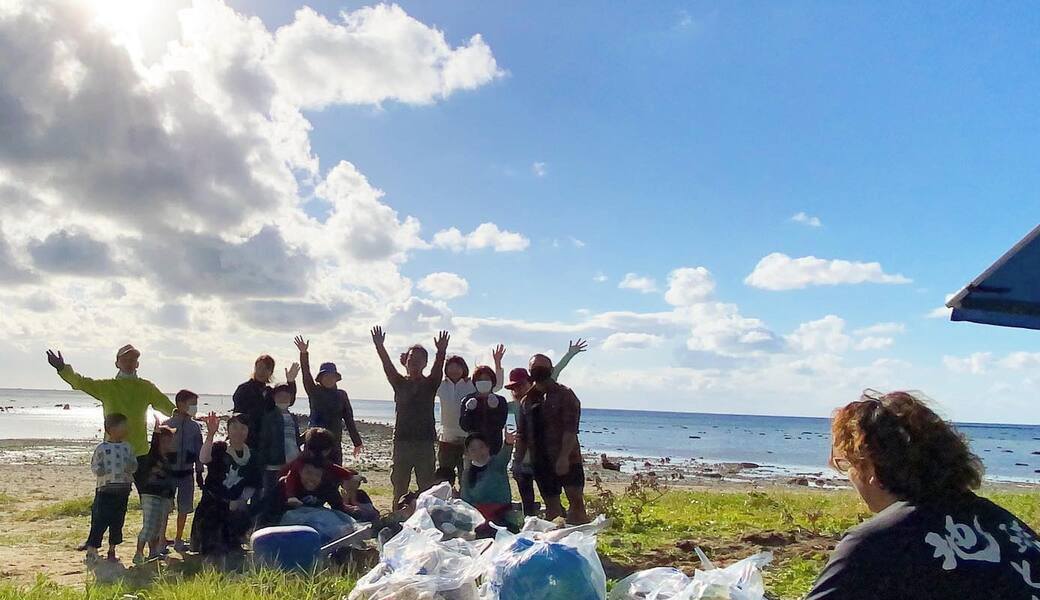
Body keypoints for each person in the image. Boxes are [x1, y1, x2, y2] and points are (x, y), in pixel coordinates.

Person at [806, 390, 1040, 600]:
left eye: (846, 463)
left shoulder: (875, 543)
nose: (849, 475)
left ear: (871, 467)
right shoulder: (1008, 526)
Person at [46, 345, 176, 491]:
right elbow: (80, 382)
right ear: (117, 363)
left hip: (140, 452)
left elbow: (167, 407)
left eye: (133, 360)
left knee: (148, 496)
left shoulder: (146, 387)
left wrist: (191, 417)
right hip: (113, 452)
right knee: (111, 497)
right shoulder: (107, 386)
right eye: (125, 359)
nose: (129, 363)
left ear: (137, 364)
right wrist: (62, 368)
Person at [504, 339, 587, 517]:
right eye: (535, 368)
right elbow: (523, 435)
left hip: (568, 459)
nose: (539, 371)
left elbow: (570, 429)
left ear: (550, 370)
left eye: (543, 367)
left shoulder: (565, 395)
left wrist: (563, 457)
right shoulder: (527, 401)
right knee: (552, 508)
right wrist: (517, 462)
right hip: (541, 462)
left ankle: (581, 537)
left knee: (576, 504)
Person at [371, 326, 449, 500]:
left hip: (425, 442)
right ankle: (398, 520)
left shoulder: (430, 384)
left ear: (425, 363)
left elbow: (438, 369)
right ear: (405, 361)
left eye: (420, 359)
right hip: (402, 442)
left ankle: (426, 518)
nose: (415, 362)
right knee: (399, 486)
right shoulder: (399, 382)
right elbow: (387, 366)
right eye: (412, 358)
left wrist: (441, 352)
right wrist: (380, 347)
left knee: (427, 488)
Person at [191, 413, 261, 557]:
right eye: (234, 427)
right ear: (228, 430)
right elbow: (203, 458)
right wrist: (210, 434)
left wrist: (240, 500)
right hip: (212, 505)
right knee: (211, 547)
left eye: (243, 428)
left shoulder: (253, 455)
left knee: (232, 546)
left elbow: (254, 484)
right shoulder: (219, 448)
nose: (238, 432)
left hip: (234, 506)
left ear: (248, 431)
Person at [436, 346, 505, 484]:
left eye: (458, 367)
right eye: (451, 367)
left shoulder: (470, 385)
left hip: (468, 438)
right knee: (445, 475)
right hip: (447, 437)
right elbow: (429, 383)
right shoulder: (441, 385)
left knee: (466, 475)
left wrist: (497, 364)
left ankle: (466, 499)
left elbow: (495, 385)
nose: (454, 370)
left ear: (464, 369)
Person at [294, 335, 363, 464]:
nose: (329, 379)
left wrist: (357, 442)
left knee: (334, 478)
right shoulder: (314, 391)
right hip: (313, 442)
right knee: (311, 476)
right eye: (326, 376)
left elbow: (349, 420)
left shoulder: (342, 395)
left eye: (332, 376)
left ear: (336, 378)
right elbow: (306, 374)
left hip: (334, 444)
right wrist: (304, 353)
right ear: (320, 378)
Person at [85, 413, 137, 564]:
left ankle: (112, 549)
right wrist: (99, 470)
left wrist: (131, 467)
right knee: (100, 520)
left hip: (123, 489)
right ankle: (92, 549)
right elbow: (94, 465)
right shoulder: (102, 448)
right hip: (105, 489)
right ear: (111, 429)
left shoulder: (127, 447)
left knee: (117, 521)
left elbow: (134, 464)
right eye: (122, 426)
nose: (125, 429)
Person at [162, 389, 203, 553]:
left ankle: (179, 539)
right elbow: (159, 449)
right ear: (180, 404)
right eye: (191, 404)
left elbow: (199, 451)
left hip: (187, 473)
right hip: (168, 473)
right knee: (165, 507)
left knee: (184, 508)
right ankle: (161, 539)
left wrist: (200, 472)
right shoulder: (168, 424)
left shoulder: (195, 427)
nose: (194, 407)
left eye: (195, 404)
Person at [232, 354, 299, 448]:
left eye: (266, 368)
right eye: (259, 367)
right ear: (255, 368)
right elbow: (238, 415)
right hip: (246, 440)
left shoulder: (270, 391)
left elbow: (288, 401)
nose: (262, 371)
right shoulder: (244, 389)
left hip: (266, 441)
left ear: (271, 372)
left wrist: (291, 381)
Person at [134, 425, 177, 565]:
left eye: (170, 441)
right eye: (165, 441)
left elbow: (172, 480)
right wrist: (156, 432)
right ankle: (139, 552)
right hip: (149, 494)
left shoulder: (171, 458)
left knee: (158, 526)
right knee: (148, 525)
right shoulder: (151, 457)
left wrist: (171, 498)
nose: (169, 444)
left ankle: (153, 552)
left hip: (164, 496)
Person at [461, 431, 519, 535]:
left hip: (502, 517)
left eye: (481, 447)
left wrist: (508, 443)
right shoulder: (467, 474)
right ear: (468, 454)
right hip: (479, 519)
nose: (478, 452)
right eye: (473, 449)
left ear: (488, 448)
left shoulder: (496, 464)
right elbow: (466, 500)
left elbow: (504, 456)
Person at [258, 384, 301, 498]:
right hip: (274, 463)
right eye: (280, 396)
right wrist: (263, 461)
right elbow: (264, 440)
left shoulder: (293, 417)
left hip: (292, 461)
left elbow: (295, 439)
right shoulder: (270, 416)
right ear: (274, 398)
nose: (283, 399)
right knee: (270, 494)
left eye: (286, 396)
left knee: (288, 493)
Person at [460, 365, 509, 456]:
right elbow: (464, 426)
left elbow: (500, 424)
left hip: (494, 450)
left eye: (486, 378)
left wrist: (494, 409)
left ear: (493, 381)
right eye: (479, 379)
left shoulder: (500, 401)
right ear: (475, 382)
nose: (483, 381)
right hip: (473, 451)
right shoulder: (467, 399)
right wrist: (469, 411)